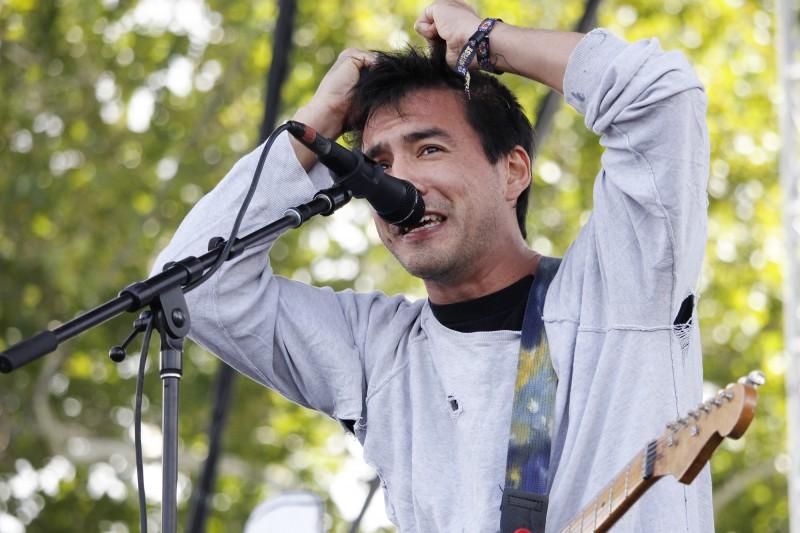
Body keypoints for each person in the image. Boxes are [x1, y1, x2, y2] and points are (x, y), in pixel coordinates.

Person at [152, 0, 712, 531]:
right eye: (377, 164)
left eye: (429, 150)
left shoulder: (624, 282)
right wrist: (313, 128)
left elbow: (661, 98)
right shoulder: (376, 351)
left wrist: (490, 42)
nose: (400, 183)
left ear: (514, 171)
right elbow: (194, 284)